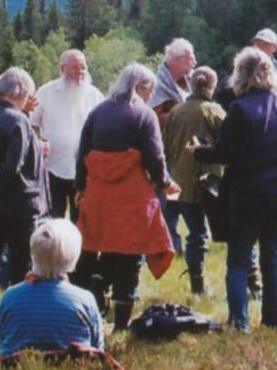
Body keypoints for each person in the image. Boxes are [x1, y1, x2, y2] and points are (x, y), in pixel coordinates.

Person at [193, 47, 277, 332]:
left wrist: (199, 152)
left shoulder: (240, 110)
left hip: (251, 193)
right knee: (273, 259)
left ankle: (239, 323)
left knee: (239, 260)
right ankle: (275, 323)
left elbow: (225, 153)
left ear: (241, 75)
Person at [75, 63, 178, 329]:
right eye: (150, 89)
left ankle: (98, 278)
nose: (150, 95)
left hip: (99, 193)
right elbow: (155, 159)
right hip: (131, 195)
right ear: (140, 87)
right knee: (131, 256)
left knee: (106, 245)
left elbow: (82, 153)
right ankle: (121, 324)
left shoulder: (97, 113)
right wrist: (165, 184)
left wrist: (80, 188)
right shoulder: (144, 116)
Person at [0, 67, 49, 324]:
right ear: (21, 92)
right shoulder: (18, 121)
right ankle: (19, 313)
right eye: (28, 93)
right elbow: (13, 164)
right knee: (22, 262)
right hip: (18, 201)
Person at [0, 218, 105, 358]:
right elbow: (97, 351)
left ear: (33, 252)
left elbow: (4, 342)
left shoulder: (10, 297)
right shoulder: (85, 301)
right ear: (73, 257)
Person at [162, 65, 224, 294]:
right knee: (230, 231)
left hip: (181, 183)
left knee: (195, 234)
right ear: (212, 86)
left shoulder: (176, 112)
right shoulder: (214, 111)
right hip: (211, 183)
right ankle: (251, 282)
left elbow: (166, 148)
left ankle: (196, 286)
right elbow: (230, 143)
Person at [30, 49, 104, 220]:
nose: (81, 72)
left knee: (82, 221)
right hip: (51, 168)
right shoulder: (45, 92)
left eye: (84, 67)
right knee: (52, 220)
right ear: (62, 69)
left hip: (85, 171)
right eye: (75, 68)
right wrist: (39, 144)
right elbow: (31, 123)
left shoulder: (95, 95)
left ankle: (80, 248)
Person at [148, 37, 196, 118]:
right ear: (177, 59)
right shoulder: (156, 86)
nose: (195, 62)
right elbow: (154, 118)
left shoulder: (193, 81)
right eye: (191, 59)